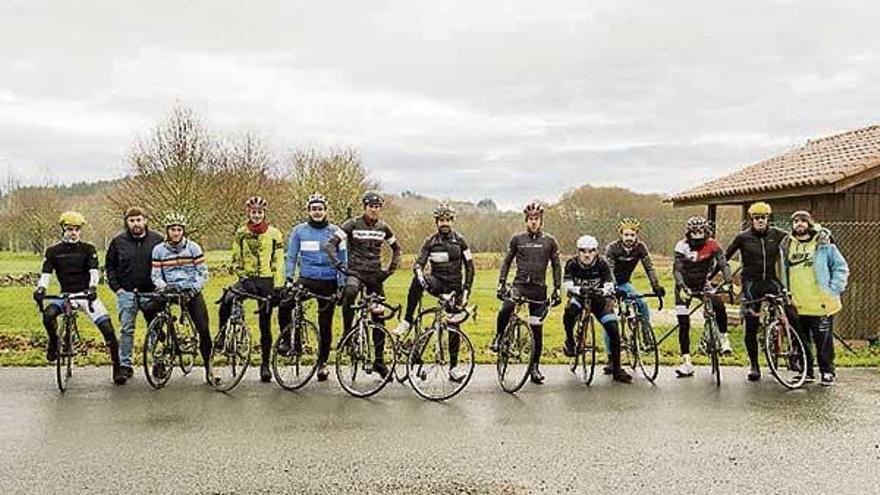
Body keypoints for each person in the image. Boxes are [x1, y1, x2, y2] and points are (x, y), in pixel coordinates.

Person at [34, 211, 124, 384]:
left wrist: (92, 288)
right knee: (48, 315)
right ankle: (54, 342)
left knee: (108, 330)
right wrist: (41, 289)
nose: (73, 232)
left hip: (85, 295)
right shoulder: (53, 252)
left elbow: (93, 271)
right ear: (63, 229)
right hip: (65, 295)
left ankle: (117, 368)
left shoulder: (88, 249)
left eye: (77, 229)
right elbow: (46, 274)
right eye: (70, 229)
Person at [394, 202, 475, 383]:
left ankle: (453, 368)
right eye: (441, 220)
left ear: (452, 221)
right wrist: (420, 275)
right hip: (436, 283)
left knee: (454, 327)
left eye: (447, 220)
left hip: (455, 288)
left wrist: (467, 291)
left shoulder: (460, 241)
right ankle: (407, 320)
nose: (444, 223)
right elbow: (418, 264)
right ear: (436, 222)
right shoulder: (430, 242)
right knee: (416, 281)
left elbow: (470, 268)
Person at [326, 191, 401, 379]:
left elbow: (396, 249)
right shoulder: (352, 224)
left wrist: (389, 270)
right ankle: (347, 333)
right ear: (365, 207)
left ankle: (379, 361)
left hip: (375, 277)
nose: (374, 210)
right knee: (350, 291)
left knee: (379, 317)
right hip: (356, 273)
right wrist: (339, 265)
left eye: (377, 207)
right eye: (371, 206)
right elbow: (331, 245)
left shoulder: (384, 227)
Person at [724, 201, 797, 381]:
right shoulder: (743, 237)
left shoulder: (777, 234)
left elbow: (801, 240)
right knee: (751, 324)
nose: (760, 221)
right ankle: (754, 365)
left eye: (763, 217)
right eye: (756, 218)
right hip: (751, 284)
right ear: (751, 219)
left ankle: (795, 355)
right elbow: (724, 257)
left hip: (771, 281)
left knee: (791, 313)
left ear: (768, 218)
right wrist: (711, 277)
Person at [491, 201, 562, 384]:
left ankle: (535, 368)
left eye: (537, 219)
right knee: (507, 306)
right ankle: (499, 337)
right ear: (526, 220)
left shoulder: (550, 241)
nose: (533, 222)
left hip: (539, 289)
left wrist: (557, 288)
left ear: (541, 221)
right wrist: (501, 283)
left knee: (536, 329)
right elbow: (507, 262)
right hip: (520, 285)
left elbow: (556, 265)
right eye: (530, 219)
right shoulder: (517, 239)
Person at [217, 196, 285, 383]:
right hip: (247, 279)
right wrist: (243, 277)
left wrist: (278, 285)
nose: (256, 215)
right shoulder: (241, 233)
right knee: (227, 299)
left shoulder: (274, 233)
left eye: (260, 212)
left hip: (266, 280)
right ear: (249, 213)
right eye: (253, 212)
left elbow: (279, 261)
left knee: (265, 324)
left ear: (264, 214)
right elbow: (236, 259)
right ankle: (222, 334)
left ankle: (265, 365)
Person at [281, 193, 347, 382]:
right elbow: (291, 256)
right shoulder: (299, 231)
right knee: (285, 303)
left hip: (329, 280)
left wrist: (341, 283)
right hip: (307, 279)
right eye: (314, 209)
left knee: (325, 323)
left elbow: (343, 259)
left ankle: (322, 363)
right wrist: (288, 278)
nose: (317, 212)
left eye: (320, 209)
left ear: (326, 211)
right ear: (309, 211)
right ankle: (288, 341)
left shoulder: (336, 232)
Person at [780, 211, 849, 386]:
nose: (799, 224)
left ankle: (827, 371)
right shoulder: (788, 245)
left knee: (823, 340)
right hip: (797, 303)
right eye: (795, 221)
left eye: (803, 220)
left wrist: (834, 289)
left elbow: (840, 267)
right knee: (800, 340)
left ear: (810, 223)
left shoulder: (824, 244)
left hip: (820, 303)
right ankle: (806, 371)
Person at [150, 213, 213, 383]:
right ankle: (163, 347)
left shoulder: (193, 248)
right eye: (172, 230)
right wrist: (163, 286)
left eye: (179, 229)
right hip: (170, 290)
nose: (176, 233)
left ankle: (209, 369)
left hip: (190, 290)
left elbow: (203, 273)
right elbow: (155, 275)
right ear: (167, 231)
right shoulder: (159, 250)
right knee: (151, 309)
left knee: (203, 328)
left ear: (183, 231)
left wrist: (193, 289)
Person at [105, 206, 164, 383]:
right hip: (127, 293)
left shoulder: (158, 239)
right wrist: (118, 289)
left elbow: (165, 263)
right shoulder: (118, 241)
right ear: (127, 222)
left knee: (155, 328)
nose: (136, 224)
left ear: (145, 220)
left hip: (152, 293)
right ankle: (125, 366)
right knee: (126, 330)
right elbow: (110, 267)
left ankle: (158, 363)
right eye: (132, 220)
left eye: (139, 220)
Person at [563, 235, 632, 383]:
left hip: (599, 299)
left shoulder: (602, 263)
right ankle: (570, 340)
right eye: (583, 251)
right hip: (579, 296)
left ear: (596, 252)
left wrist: (610, 291)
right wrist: (579, 290)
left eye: (591, 251)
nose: (587, 254)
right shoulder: (572, 263)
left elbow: (609, 282)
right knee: (570, 311)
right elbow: (567, 283)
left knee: (613, 328)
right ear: (578, 251)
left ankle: (617, 368)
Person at [672, 216, 732, 378]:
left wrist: (728, 279)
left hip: (703, 283)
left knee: (718, 303)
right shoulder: (682, 245)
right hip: (684, 286)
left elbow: (723, 263)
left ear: (705, 231)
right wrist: (683, 287)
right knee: (684, 323)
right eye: (694, 231)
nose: (698, 234)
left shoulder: (712, 244)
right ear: (689, 232)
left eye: (701, 230)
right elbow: (677, 270)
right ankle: (686, 362)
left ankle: (724, 339)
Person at [604, 217, 665, 374]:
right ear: (621, 235)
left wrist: (656, 286)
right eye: (626, 235)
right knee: (610, 318)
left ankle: (645, 335)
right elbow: (609, 270)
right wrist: (613, 289)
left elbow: (649, 267)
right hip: (609, 283)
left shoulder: (640, 248)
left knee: (641, 303)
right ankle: (611, 359)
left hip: (625, 283)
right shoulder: (612, 248)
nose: (629, 238)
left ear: (637, 235)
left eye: (632, 235)